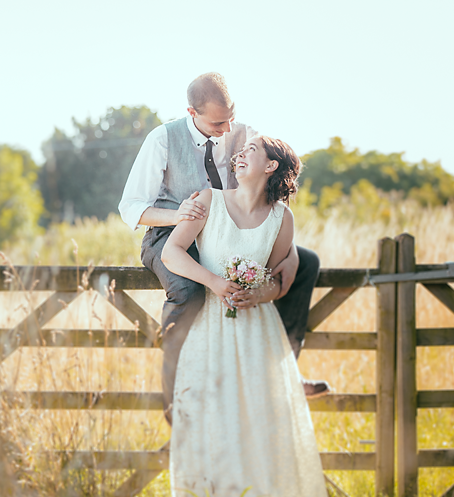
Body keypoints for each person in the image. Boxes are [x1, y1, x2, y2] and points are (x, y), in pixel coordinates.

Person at [118, 72, 329, 425]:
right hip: (169, 232)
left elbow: (267, 185)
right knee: (188, 290)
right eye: (219, 121)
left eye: (231, 116)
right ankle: (175, 394)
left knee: (306, 262)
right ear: (192, 112)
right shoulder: (163, 139)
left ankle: (285, 368)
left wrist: (287, 252)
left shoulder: (244, 133)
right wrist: (177, 214)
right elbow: (131, 208)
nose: (228, 127)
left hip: (229, 233)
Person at [160, 135, 331, 497]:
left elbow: (276, 280)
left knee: (258, 417)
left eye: (251, 151)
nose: (240, 154)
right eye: (241, 151)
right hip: (210, 328)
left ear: (271, 166)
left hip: (257, 329)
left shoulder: (281, 218)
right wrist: (216, 283)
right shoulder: (207, 201)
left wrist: (258, 295)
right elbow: (172, 253)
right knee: (210, 416)